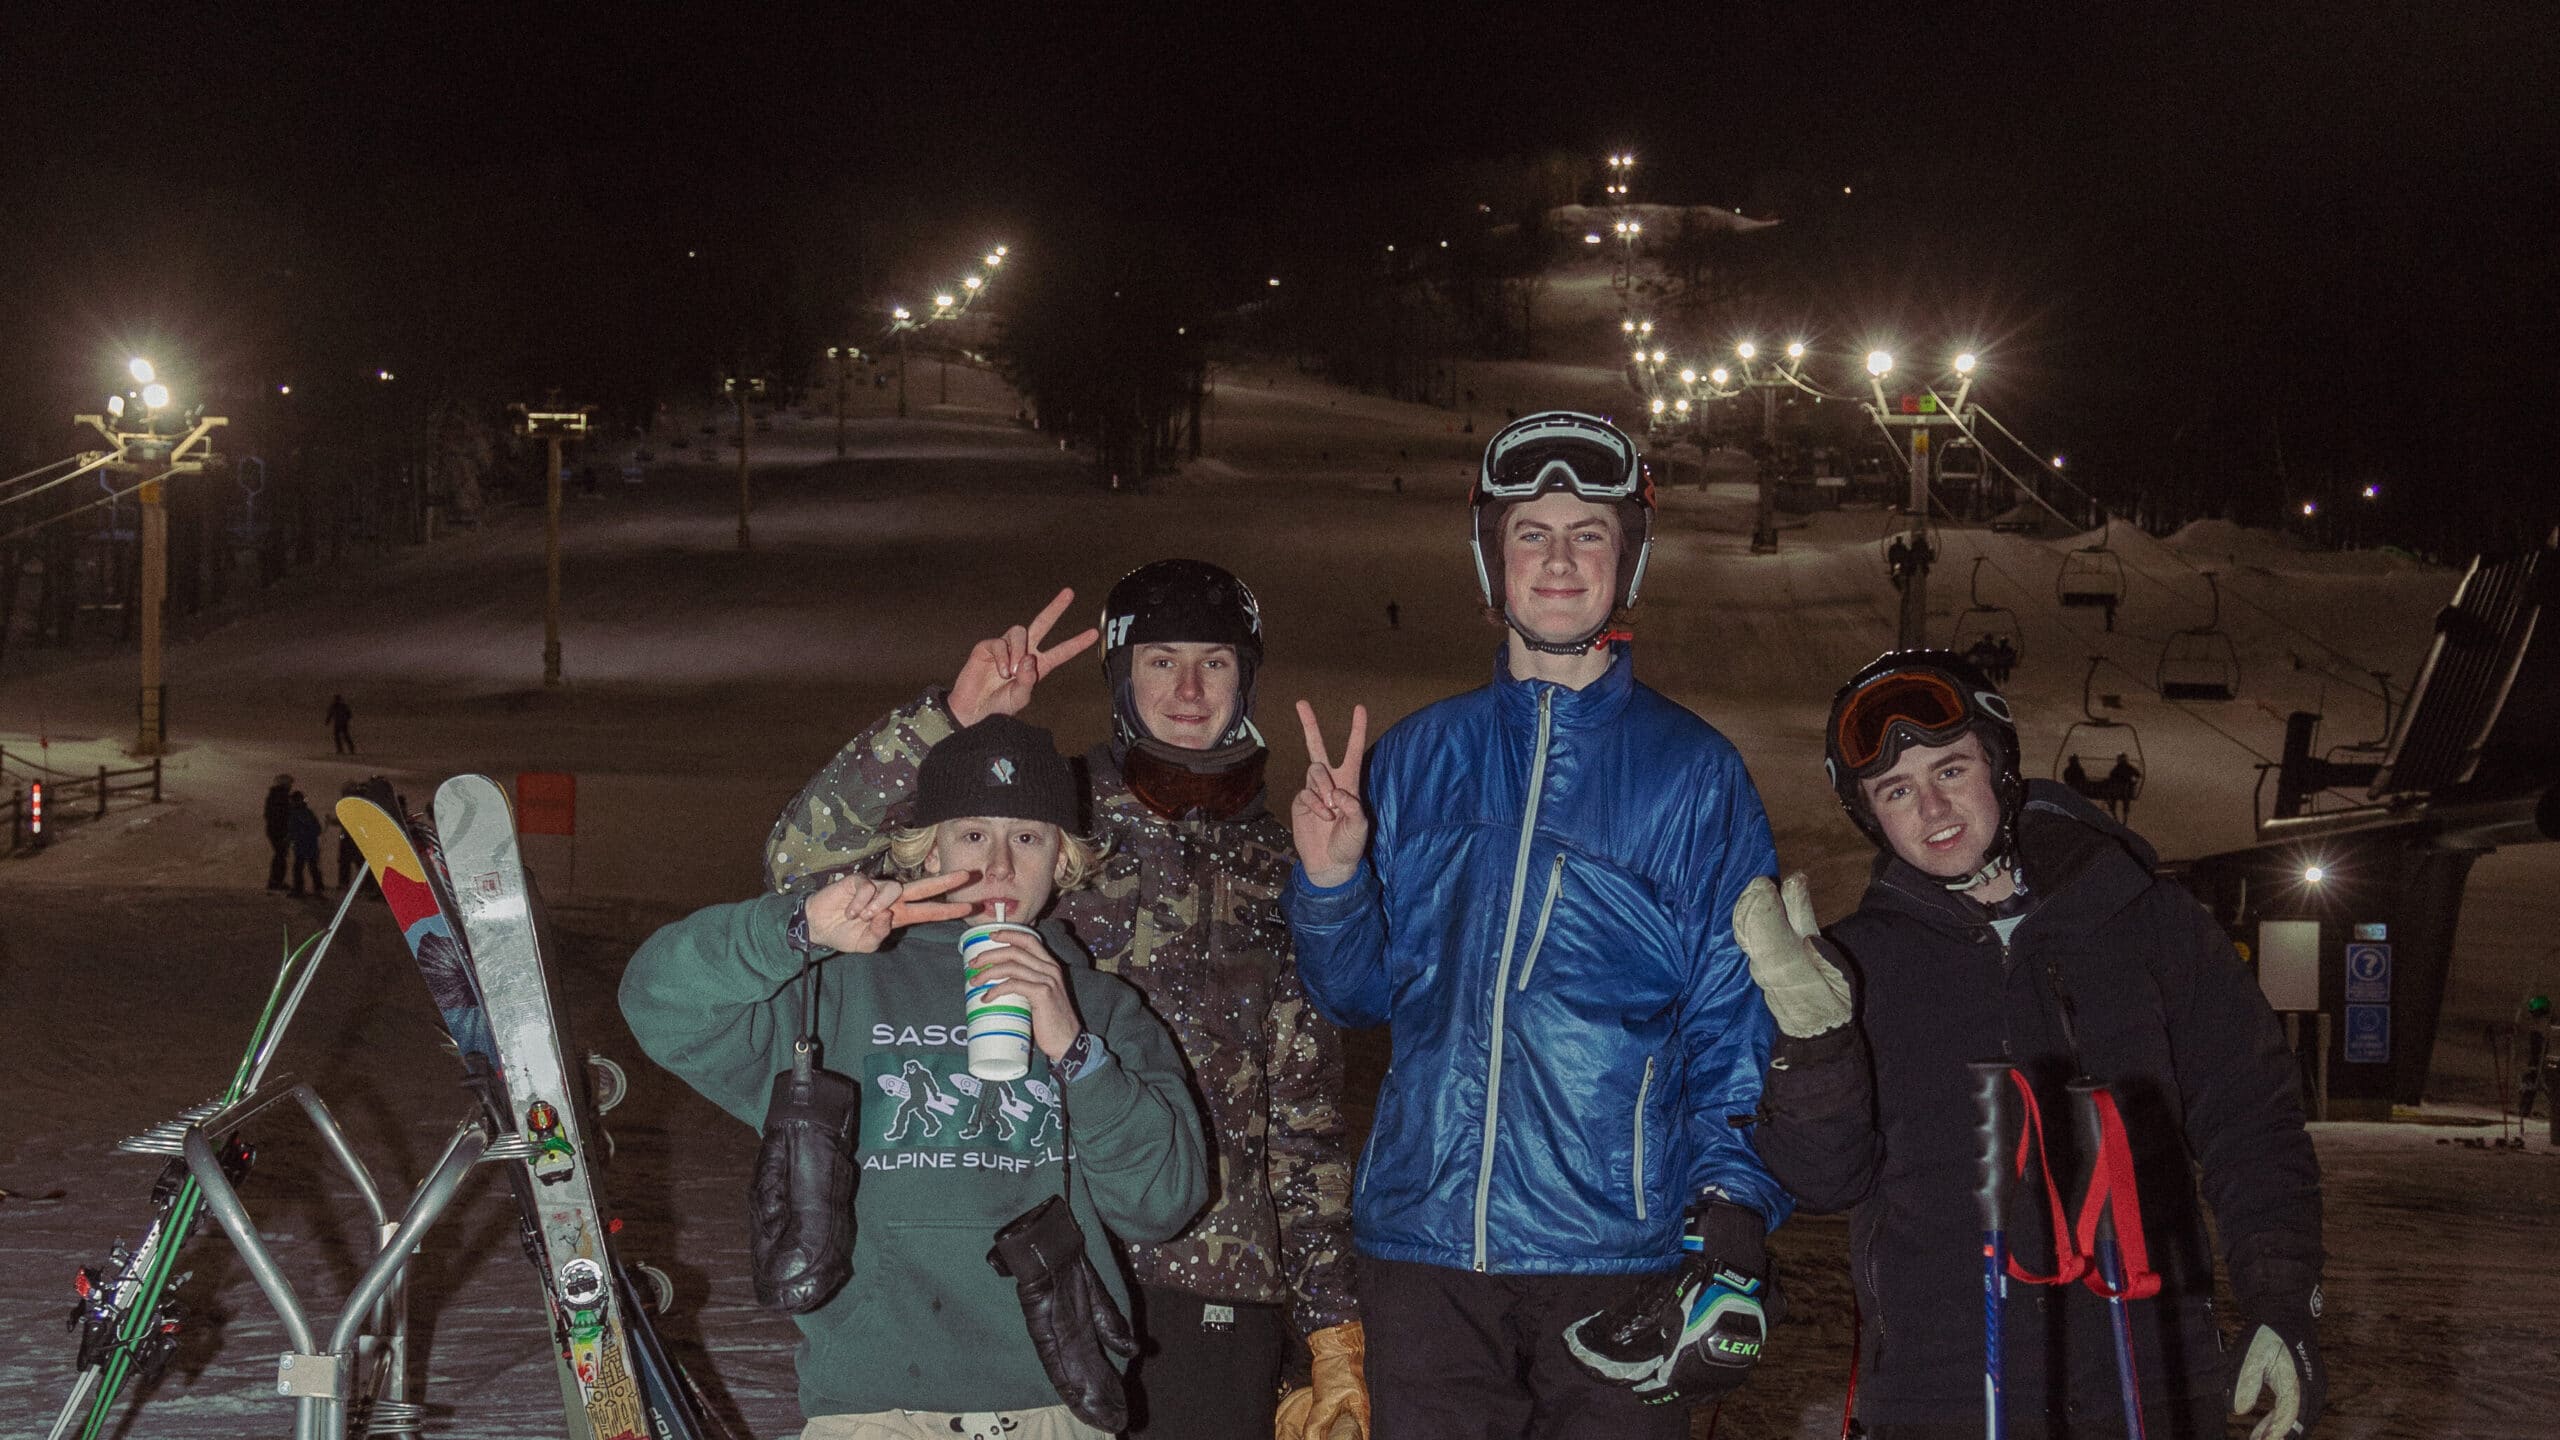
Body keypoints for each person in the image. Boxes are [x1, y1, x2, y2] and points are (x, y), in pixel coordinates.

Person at [767, 567, 1366, 1440]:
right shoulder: (1044, 822)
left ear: (1248, 679)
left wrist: (1329, 1326)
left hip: (1220, 1284)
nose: (1189, 690)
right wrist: (950, 720)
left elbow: (1304, 1110)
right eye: (1161, 661)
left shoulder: (1283, 861)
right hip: (1046, 1264)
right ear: (1122, 676)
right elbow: (801, 868)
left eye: (1215, 663)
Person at [1286, 410, 1789, 1437]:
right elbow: (1357, 995)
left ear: (1625, 564)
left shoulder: (1693, 776)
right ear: (1493, 562)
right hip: (1425, 1256)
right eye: (1530, 534)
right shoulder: (1416, 758)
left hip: (1614, 1256)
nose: (1558, 560)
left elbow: (1732, 1020)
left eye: (1588, 534)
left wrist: (1731, 1203)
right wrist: (1332, 884)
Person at [1743, 649, 2325, 1439]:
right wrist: (1813, 1043)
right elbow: (1823, 1177)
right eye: (1896, 791)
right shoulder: (1856, 967)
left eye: (1951, 770)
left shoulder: (2147, 922)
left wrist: (2281, 1302)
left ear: (1999, 764)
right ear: (1869, 815)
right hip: (1945, 1393)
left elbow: (2252, 1123)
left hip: (2147, 1383)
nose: (1931, 809)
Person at [625, 715, 1208, 1439]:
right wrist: (798, 929)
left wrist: (1074, 1048)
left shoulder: (1105, 1011)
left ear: (1062, 859)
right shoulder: (841, 989)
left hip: (1050, 1405)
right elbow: (656, 1000)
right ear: (925, 848)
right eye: (971, 835)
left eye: (1027, 837)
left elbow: (1163, 1204)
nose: (998, 865)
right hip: (873, 1406)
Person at [285, 790, 326, 896]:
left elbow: (293, 830)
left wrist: (290, 839)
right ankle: (318, 888)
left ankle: (299, 889)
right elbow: (318, 829)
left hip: (302, 845)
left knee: (299, 867)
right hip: (310, 844)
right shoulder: (307, 812)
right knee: (312, 867)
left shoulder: (296, 814)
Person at [264, 772, 295, 890]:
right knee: (280, 855)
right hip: (279, 831)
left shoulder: (275, 795)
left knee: (280, 855)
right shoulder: (281, 797)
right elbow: (281, 815)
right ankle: (275, 881)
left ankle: (275, 880)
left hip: (275, 830)